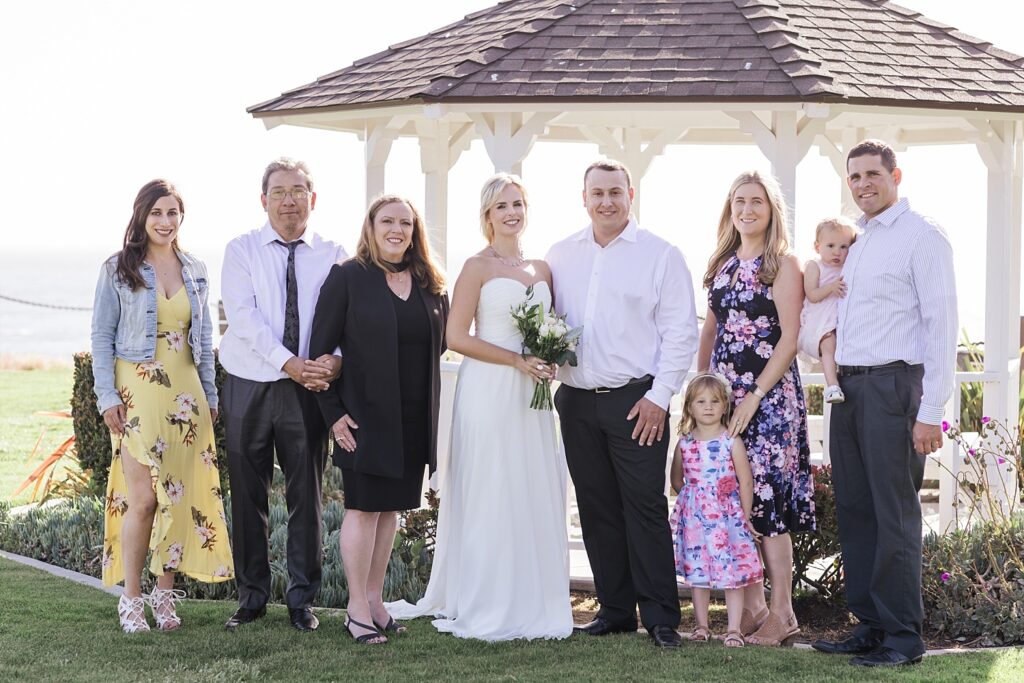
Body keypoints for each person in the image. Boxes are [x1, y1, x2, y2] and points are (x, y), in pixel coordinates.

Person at [386, 174, 573, 640]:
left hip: (531, 401)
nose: (511, 212)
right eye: (501, 206)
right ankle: (487, 596)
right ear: (487, 216)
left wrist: (546, 359)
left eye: (517, 204)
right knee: (493, 487)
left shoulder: (543, 269)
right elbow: (456, 337)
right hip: (489, 390)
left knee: (528, 486)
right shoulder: (476, 266)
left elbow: (553, 326)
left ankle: (532, 594)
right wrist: (516, 360)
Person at [812, 140, 957, 668]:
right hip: (849, 389)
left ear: (897, 175)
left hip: (894, 389)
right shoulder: (861, 240)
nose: (863, 184)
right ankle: (870, 626)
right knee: (855, 509)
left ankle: (902, 637)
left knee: (893, 512)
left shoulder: (923, 237)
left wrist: (931, 411)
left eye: (872, 174)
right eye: (854, 177)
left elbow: (941, 326)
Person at [547, 160, 699, 649]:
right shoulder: (560, 254)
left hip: (638, 401)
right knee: (595, 507)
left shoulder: (661, 254)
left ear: (630, 195)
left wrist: (660, 397)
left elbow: (681, 332)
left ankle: (660, 617)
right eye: (597, 193)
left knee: (645, 507)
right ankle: (614, 611)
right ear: (584, 197)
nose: (606, 201)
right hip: (574, 400)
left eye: (615, 191)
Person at [91, 179, 234, 633]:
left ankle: (164, 595)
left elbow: (205, 337)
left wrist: (210, 395)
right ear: (141, 216)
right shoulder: (118, 269)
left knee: (178, 493)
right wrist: (106, 397)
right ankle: (131, 599)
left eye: (173, 213)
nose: (165, 222)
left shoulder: (195, 268)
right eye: (157, 213)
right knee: (144, 499)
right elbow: (101, 338)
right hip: (139, 392)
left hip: (186, 393)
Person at [309, 195, 449, 645]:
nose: (397, 230)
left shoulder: (431, 283)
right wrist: (334, 417)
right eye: (387, 221)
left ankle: (375, 600)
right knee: (363, 508)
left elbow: (440, 345)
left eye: (405, 223)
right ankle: (354, 608)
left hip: (413, 418)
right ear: (370, 227)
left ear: (415, 231)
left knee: (389, 511)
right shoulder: (347, 278)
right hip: (362, 418)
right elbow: (320, 354)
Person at [219, 158, 345, 632]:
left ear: (313, 199)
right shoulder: (242, 250)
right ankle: (251, 598)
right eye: (279, 192)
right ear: (264, 200)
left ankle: (301, 600)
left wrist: (334, 359)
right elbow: (244, 318)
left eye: (298, 191)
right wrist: (289, 363)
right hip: (250, 383)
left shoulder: (334, 253)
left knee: (305, 494)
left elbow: (344, 318)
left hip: (308, 390)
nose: (289, 200)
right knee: (248, 494)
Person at [697, 170, 815, 647]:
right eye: (739, 201)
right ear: (730, 209)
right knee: (732, 501)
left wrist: (755, 395)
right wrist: (701, 388)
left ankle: (783, 612)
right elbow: (711, 330)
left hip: (768, 402)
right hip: (723, 401)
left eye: (757, 202)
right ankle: (753, 610)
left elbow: (789, 339)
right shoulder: (721, 264)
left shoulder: (783, 265)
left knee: (767, 504)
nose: (747, 210)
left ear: (771, 211)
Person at [669, 373, 762, 647]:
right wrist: (694, 495)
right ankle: (701, 626)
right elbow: (676, 480)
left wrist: (744, 515)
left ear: (725, 406)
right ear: (689, 407)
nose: (708, 406)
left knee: (732, 574)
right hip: (696, 519)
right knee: (698, 573)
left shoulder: (731, 441)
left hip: (727, 519)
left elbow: (745, 480)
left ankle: (734, 629)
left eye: (715, 401)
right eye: (701, 401)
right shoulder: (684, 443)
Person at [797, 217, 858, 403]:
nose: (837, 252)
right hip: (820, 319)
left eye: (844, 247)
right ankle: (832, 386)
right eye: (830, 246)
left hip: (838, 320)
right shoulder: (815, 266)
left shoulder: (848, 267)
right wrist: (831, 287)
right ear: (817, 247)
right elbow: (812, 294)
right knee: (828, 345)